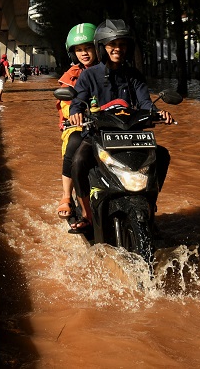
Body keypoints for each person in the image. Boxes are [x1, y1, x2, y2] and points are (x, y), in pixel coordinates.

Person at [67, 19, 174, 230]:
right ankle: (87, 213)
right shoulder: (89, 75)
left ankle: (149, 204)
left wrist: (157, 113)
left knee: (162, 155)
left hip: (132, 136)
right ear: (102, 47)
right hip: (98, 135)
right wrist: (76, 113)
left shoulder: (134, 76)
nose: (117, 49)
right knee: (79, 161)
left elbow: (145, 102)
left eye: (122, 44)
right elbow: (78, 101)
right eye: (112, 45)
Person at [56, 23, 98, 232]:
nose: (84, 53)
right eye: (79, 49)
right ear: (73, 53)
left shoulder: (111, 70)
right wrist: (74, 114)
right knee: (73, 144)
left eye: (88, 47)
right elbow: (65, 104)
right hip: (81, 125)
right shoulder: (72, 75)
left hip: (110, 124)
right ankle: (66, 196)